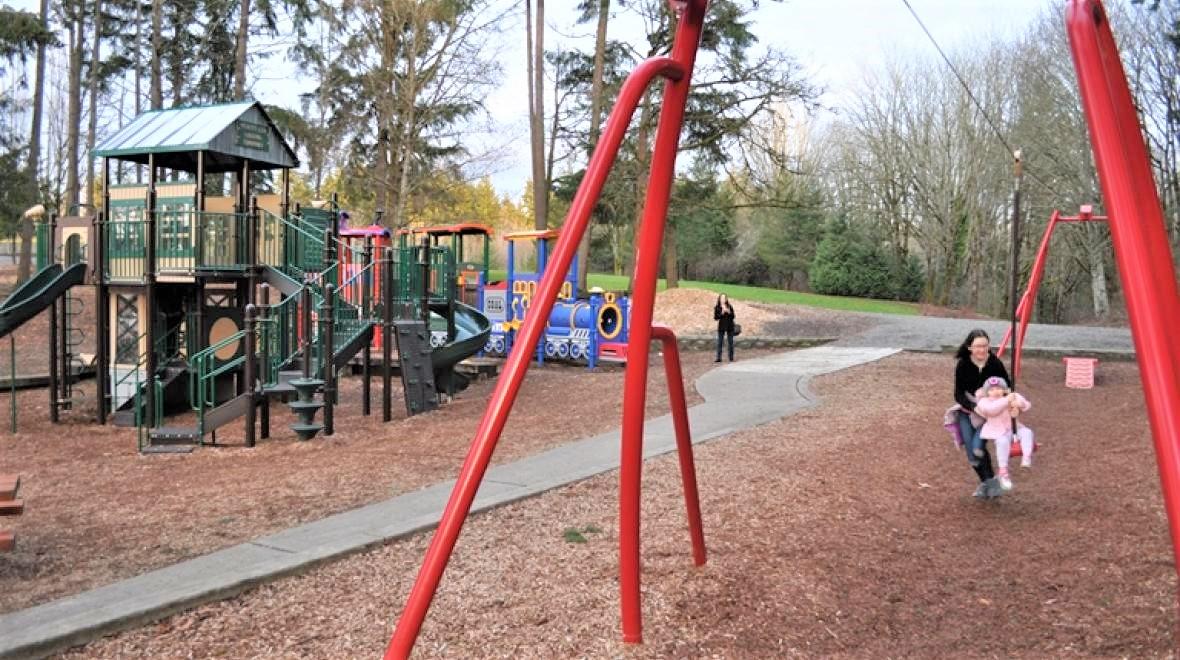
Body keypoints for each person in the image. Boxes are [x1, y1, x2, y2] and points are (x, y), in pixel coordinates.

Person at [953, 328, 1011, 498]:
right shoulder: (963, 364)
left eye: (985, 346)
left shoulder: (995, 363)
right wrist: (972, 406)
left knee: (978, 449)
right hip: (968, 411)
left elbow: (1007, 386)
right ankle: (988, 482)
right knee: (972, 454)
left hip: (990, 413)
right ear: (970, 347)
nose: (982, 350)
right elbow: (958, 393)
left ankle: (990, 485)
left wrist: (1004, 399)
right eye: (978, 346)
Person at [973, 376, 1032, 491]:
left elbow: (1026, 404)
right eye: (991, 389)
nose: (995, 392)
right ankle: (1003, 471)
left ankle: (1026, 457)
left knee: (1027, 432)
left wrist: (1018, 405)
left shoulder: (1010, 396)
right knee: (1002, 442)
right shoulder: (984, 401)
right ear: (987, 392)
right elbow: (991, 410)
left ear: (1004, 389)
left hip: (1014, 428)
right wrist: (1007, 401)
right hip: (998, 431)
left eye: (998, 388)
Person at [713, 294, 736, 363]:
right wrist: (722, 313)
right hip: (721, 327)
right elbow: (716, 318)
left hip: (730, 326)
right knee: (719, 342)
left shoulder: (729, 306)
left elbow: (733, 316)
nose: (723, 299)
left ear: (726, 299)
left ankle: (731, 357)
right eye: (721, 298)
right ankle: (718, 358)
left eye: (724, 298)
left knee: (730, 342)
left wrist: (729, 312)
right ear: (719, 299)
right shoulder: (717, 307)